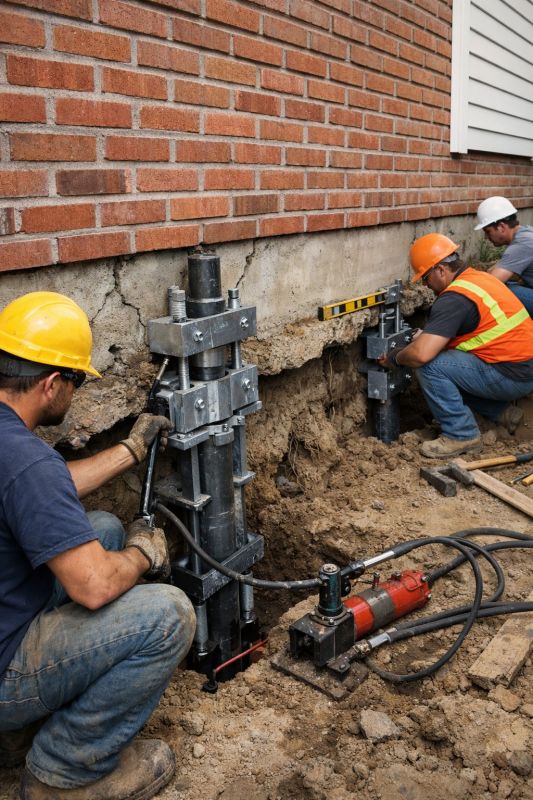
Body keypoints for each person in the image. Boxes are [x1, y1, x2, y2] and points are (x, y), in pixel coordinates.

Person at [0, 292, 196, 800]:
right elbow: (92, 587)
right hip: (4, 668)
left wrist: (130, 451)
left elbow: (41, 485)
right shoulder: (25, 461)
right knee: (168, 614)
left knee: (103, 527)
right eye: (77, 380)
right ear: (50, 384)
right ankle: (60, 776)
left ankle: (15, 733)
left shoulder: (12, 449)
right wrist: (143, 554)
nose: (76, 391)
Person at [378, 234, 533, 459]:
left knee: (431, 366)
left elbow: (421, 355)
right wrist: (429, 336)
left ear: (441, 269)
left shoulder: (453, 299)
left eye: (426, 277)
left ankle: (461, 434)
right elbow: (478, 330)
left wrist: (395, 358)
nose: (426, 285)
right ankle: (504, 414)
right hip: (523, 368)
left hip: (512, 375)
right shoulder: (478, 278)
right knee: (449, 369)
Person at [475, 196, 533, 316]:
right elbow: (492, 271)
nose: (486, 238)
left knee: (499, 290)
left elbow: (491, 281)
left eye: (487, 231)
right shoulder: (526, 233)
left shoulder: (522, 243)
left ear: (501, 227)